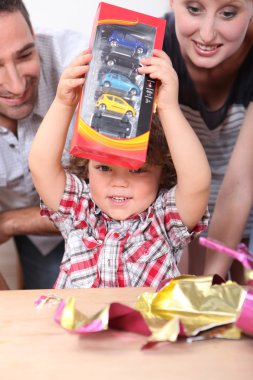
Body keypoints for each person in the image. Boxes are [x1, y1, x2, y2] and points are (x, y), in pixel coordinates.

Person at [28, 49, 210, 288]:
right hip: (78, 325)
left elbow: (197, 182)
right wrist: (64, 103)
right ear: (87, 166)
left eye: (136, 170)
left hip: (146, 326)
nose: (119, 182)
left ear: (162, 173)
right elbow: (41, 166)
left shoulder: (164, 220)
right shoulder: (79, 212)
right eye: (104, 168)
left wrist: (169, 109)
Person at [163, 0, 253, 279]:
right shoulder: (150, 47)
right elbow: (161, 182)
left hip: (242, 219)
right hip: (175, 218)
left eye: (227, 13)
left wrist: (209, 284)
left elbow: (239, 185)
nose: (207, 34)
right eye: (193, 9)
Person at [0, 0, 86, 289]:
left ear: (34, 33)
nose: (16, 85)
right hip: (40, 241)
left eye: (25, 55)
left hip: (108, 223)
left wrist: (9, 223)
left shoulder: (77, 61)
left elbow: (120, 198)